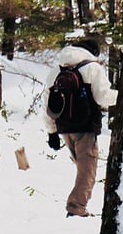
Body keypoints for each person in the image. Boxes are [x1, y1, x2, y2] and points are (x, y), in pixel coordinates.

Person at [43, 38, 117, 217]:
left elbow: (48, 104)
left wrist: (52, 132)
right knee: (87, 169)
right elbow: (103, 97)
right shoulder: (92, 68)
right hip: (85, 127)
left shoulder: (57, 70)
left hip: (64, 127)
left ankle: (77, 205)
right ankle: (76, 207)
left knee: (82, 168)